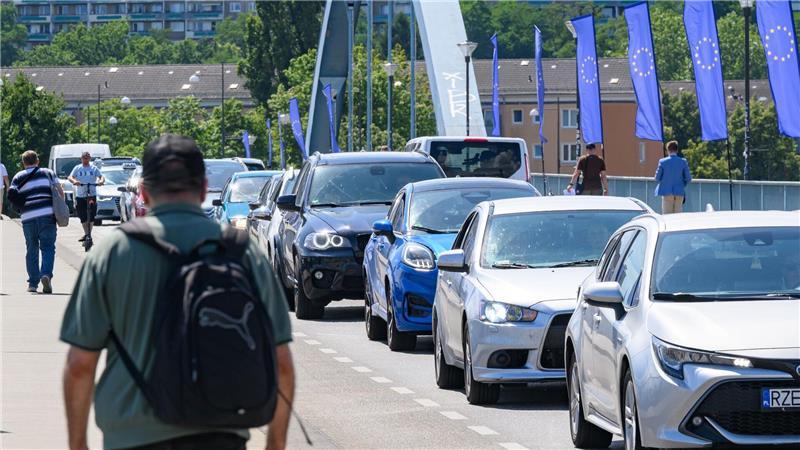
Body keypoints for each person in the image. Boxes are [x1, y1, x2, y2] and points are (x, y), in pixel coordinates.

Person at [60, 135, 295, 450]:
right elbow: (281, 364)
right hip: (220, 434)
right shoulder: (242, 253)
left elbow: (79, 365)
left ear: (143, 192)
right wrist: (275, 444)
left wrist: (78, 444)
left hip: (133, 438)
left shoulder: (113, 253)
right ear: (202, 189)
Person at [7, 150, 63, 293]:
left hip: (28, 217)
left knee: (31, 248)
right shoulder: (48, 173)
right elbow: (59, 191)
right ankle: (45, 274)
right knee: (48, 247)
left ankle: (32, 283)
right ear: (37, 161)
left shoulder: (18, 176)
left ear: (23, 163)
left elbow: (12, 195)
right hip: (47, 216)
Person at [67, 152, 105, 244]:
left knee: (91, 215)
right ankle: (87, 234)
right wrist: (75, 181)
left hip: (91, 194)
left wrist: (100, 181)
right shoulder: (77, 168)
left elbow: (101, 177)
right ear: (81, 158)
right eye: (84, 158)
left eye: (87, 158)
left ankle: (88, 235)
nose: (86, 159)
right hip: (81, 194)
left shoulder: (94, 168)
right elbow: (70, 177)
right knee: (82, 215)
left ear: (90, 158)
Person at [655, 141, 692, 214]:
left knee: (667, 215)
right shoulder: (683, 161)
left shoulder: (662, 162)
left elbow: (657, 178)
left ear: (668, 150)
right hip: (679, 191)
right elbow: (688, 178)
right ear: (677, 150)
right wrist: (682, 184)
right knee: (678, 216)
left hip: (666, 191)